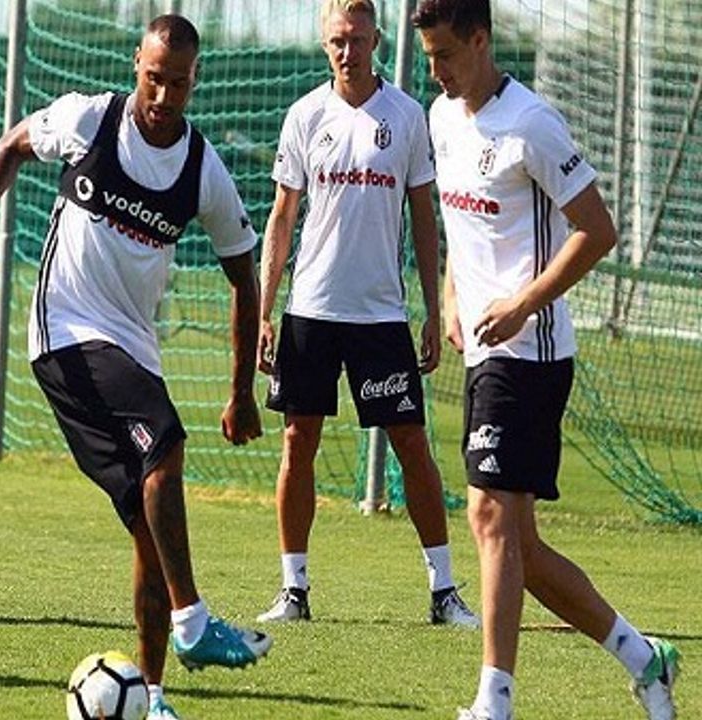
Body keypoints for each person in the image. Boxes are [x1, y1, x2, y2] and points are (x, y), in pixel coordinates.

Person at [0, 15, 271, 720]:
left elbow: (244, 278)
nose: (163, 95)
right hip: (64, 331)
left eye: (177, 82)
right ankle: (192, 621)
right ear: (135, 66)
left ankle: (151, 698)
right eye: (153, 78)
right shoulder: (90, 121)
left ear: (195, 80)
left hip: (131, 347)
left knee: (152, 530)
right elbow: (10, 146)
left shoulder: (202, 168)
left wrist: (242, 391)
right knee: (165, 439)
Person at [413, 2, 681, 718]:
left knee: (489, 519)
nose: (436, 71)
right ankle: (645, 659)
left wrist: (523, 303)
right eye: (428, 57)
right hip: (485, 354)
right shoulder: (442, 118)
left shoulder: (532, 123)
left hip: (530, 355)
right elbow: (460, 226)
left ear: (481, 40)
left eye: (446, 55)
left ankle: (493, 703)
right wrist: (451, 298)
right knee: (518, 548)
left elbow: (597, 230)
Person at [254, 0, 477, 629]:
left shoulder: (406, 116)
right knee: (297, 442)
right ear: (324, 44)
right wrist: (264, 311)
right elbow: (282, 217)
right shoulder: (304, 115)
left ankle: (444, 592)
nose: (346, 51)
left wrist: (432, 307)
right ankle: (293, 589)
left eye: (356, 39)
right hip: (311, 310)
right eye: (336, 41)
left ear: (376, 39)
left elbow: (425, 216)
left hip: (381, 317)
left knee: (411, 443)